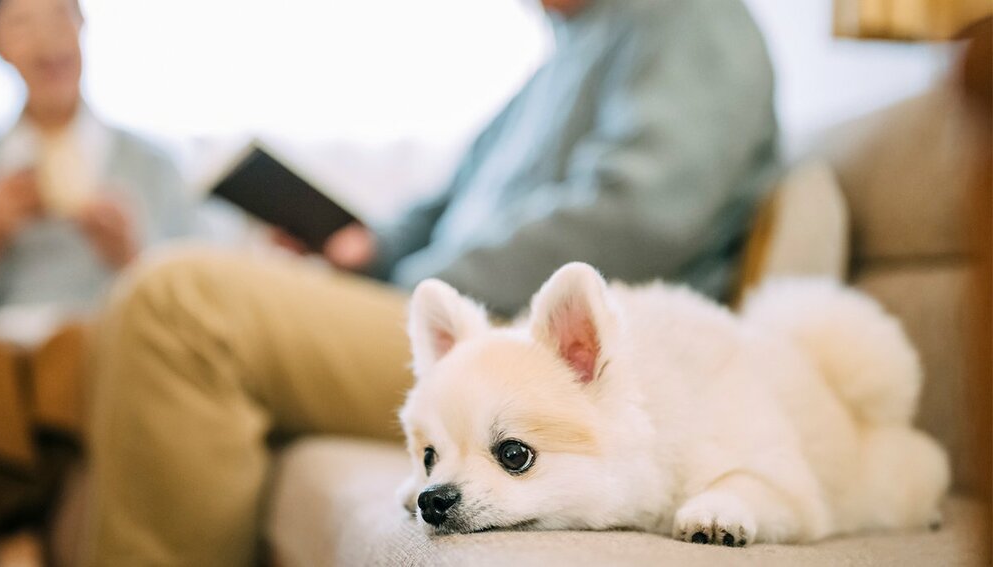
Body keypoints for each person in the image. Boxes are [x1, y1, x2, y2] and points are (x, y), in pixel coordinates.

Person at [84, 0, 777, 565]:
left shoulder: (689, 19)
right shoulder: (558, 61)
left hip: (527, 364)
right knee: (167, 290)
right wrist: (367, 253)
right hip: (463, 326)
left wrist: (416, 278)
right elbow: (445, 204)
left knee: (180, 300)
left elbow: (638, 213)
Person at [0, 0, 192, 564]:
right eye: (21, 21)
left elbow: (196, 310)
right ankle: (27, 522)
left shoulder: (152, 169)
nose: (47, 37)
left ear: (84, 24)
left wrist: (132, 257)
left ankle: (13, 522)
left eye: (60, 12)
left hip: (90, 353)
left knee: (75, 352)